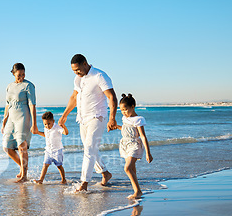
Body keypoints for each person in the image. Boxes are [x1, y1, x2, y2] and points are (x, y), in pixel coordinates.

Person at [58, 54, 117, 192]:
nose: (76, 73)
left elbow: (112, 97)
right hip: (83, 119)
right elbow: (74, 97)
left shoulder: (99, 76)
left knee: (89, 149)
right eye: (74, 71)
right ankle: (105, 173)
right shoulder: (78, 79)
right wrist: (64, 115)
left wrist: (112, 118)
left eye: (78, 69)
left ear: (85, 63)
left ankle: (84, 184)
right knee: (90, 149)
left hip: (97, 117)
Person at [2, 63, 38, 182]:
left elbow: (32, 105)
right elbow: (7, 105)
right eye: (18, 75)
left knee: (22, 147)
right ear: (13, 74)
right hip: (11, 118)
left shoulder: (29, 86)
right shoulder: (9, 86)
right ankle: (23, 168)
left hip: (23, 117)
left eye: (23, 74)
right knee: (7, 147)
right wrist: (4, 120)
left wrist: (34, 124)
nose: (21, 77)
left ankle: (24, 176)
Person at [115, 93, 153, 199]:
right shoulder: (124, 118)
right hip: (125, 145)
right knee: (132, 168)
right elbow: (126, 129)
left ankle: (138, 191)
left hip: (134, 145)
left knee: (127, 168)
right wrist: (116, 127)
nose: (124, 112)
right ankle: (136, 191)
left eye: (125, 109)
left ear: (132, 107)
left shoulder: (138, 119)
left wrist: (148, 153)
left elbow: (143, 136)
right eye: (121, 110)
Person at [32, 111, 69, 184]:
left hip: (57, 151)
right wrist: (38, 132)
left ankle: (63, 179)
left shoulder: (57, 127)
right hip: (48, 150)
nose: (47, 126)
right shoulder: (46, 128)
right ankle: (41, 180)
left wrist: (63, 125)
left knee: (59, 166)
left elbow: (66, 133)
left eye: (49, 123)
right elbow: (45, 135)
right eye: (45, 124)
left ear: (53, 121)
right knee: (45, 165)